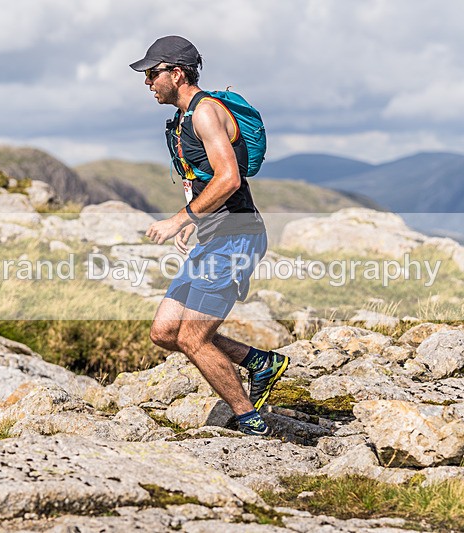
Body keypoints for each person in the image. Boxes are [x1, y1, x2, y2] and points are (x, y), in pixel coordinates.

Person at [130, 36, 289, 436]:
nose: (148, 82)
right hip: (213, 237)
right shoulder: (183, 119)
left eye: (153, 73)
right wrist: (195, 223)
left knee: (193, 337)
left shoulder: (205, 114)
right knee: (165, 331)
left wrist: (181, 218)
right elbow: (200, 180)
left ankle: (249, 420)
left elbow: (230, 178)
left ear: (176, 72)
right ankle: (259, 362)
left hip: (236, 238)